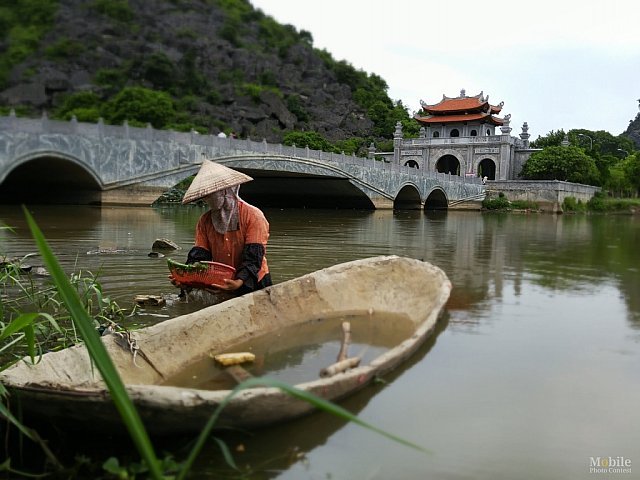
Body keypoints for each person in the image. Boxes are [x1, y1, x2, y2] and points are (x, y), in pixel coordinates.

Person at [172, 160, 272, 295]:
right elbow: (200, 255)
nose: (207, 199)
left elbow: (253, 256)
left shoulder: (253, 216)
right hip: (222, 280)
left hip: (254, 280)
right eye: (205, 195)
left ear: (227, 191)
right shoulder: (205, 221)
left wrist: (239, 281)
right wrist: (186, 278)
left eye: (211, 194)